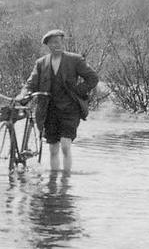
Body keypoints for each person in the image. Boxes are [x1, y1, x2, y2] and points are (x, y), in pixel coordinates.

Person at [20, 29, 98, 173]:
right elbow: (30, 84)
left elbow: (93, 78)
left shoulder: (75, 60)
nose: (58, 45)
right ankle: (54, 181)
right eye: (53, 43)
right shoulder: (41, 63)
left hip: (70, 109)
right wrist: (22, 95)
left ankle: (66, 180)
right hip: (49, 110)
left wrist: (78, 91)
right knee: (53, 148)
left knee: (65, 145)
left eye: (60, 42)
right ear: (48, 45)